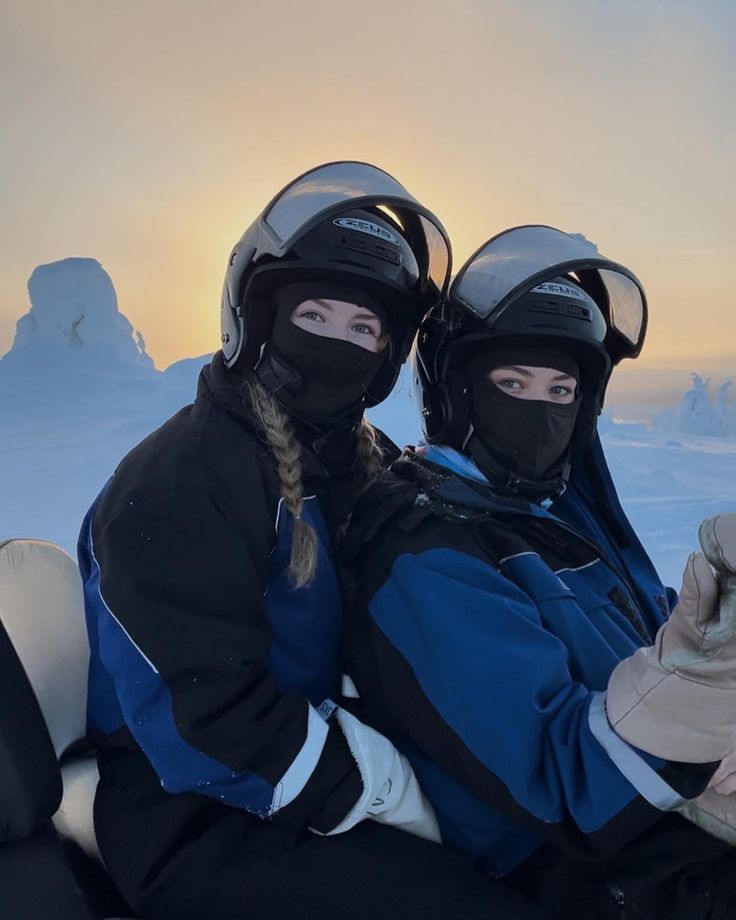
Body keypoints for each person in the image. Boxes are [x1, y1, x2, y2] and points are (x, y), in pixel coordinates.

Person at [77, 165, 545, 920]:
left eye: (364, 328)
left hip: (331, 760)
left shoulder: (359, 458)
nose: (340, 343)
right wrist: (379, 788)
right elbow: (200, 718)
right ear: (257, 320)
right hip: (201, 814)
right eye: (316, 317)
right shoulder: (183, 478)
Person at [341, 225, 736, 920]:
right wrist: (701, 703)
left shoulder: (545, 516)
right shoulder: (427, 556)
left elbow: (649, 636)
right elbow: (564, 780)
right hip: (579, 869)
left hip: (669, 819)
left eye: (562, 390)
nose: (540, 409)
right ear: (456, 392)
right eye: (512, 382)